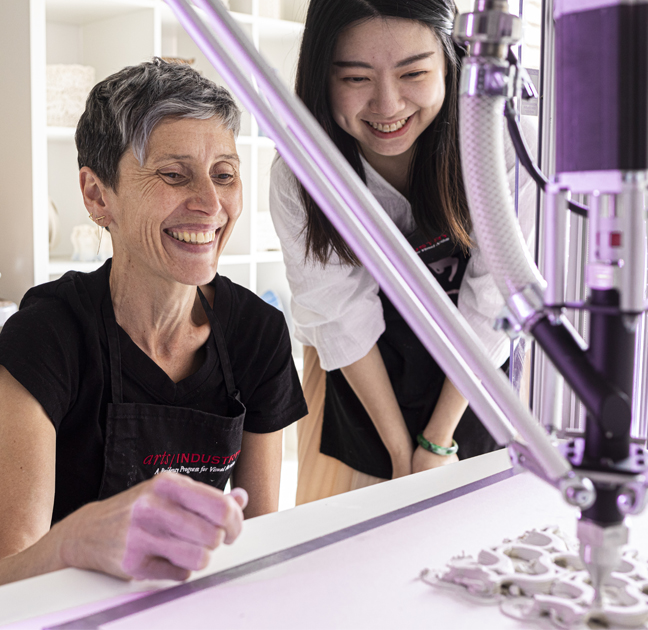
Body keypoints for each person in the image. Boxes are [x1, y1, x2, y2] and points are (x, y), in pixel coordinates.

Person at [0, 59, 307, 585]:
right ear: (98, 196)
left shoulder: (258, 334)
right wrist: (75, 539)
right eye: (173, 174)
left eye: (225, 175)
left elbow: (256, 546)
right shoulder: (45, 337)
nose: (211, 204)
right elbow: (9, 577)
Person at [269, 0, 536, 504]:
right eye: (355, 79)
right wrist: (400, 452)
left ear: (449, 59)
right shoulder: (298, 175)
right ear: (320, 76)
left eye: (413, 72)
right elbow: (341, 317)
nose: (387, 105)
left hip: (479, 378)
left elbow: (495, 302)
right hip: (357, 383)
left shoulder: (500, 142)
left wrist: (437, 440)